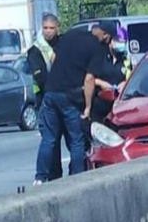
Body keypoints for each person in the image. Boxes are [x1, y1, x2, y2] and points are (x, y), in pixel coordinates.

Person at [34, 26, 107, 185]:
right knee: (76, 140)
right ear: (103, 35)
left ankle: (39, 178)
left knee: (48, 138)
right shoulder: (96, 48)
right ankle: (77, 178)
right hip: (70, 97)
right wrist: (87, 107)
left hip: (51, 93)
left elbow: (55, 57)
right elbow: (89, 79)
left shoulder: (70, 35)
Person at [26, 13, 63, 180]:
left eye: (51, 28)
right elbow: (39, 77)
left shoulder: (63, 44)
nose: (48, 31)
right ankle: (45, 176)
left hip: (65, 98)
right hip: (45, 100)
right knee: (50, 140)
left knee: (73, 140)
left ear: (57, 28)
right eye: (45, 28)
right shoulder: (35, 50)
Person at [89, 23, 133, 122]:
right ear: (111, 41)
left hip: (118, 105)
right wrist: (101, 83)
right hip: (99, 103)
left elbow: (130, 76)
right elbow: (89, 77)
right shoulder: (100, 57)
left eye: (123, 42)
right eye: (118, 41)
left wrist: (125, 83)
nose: (121, 44)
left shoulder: (125, 60)